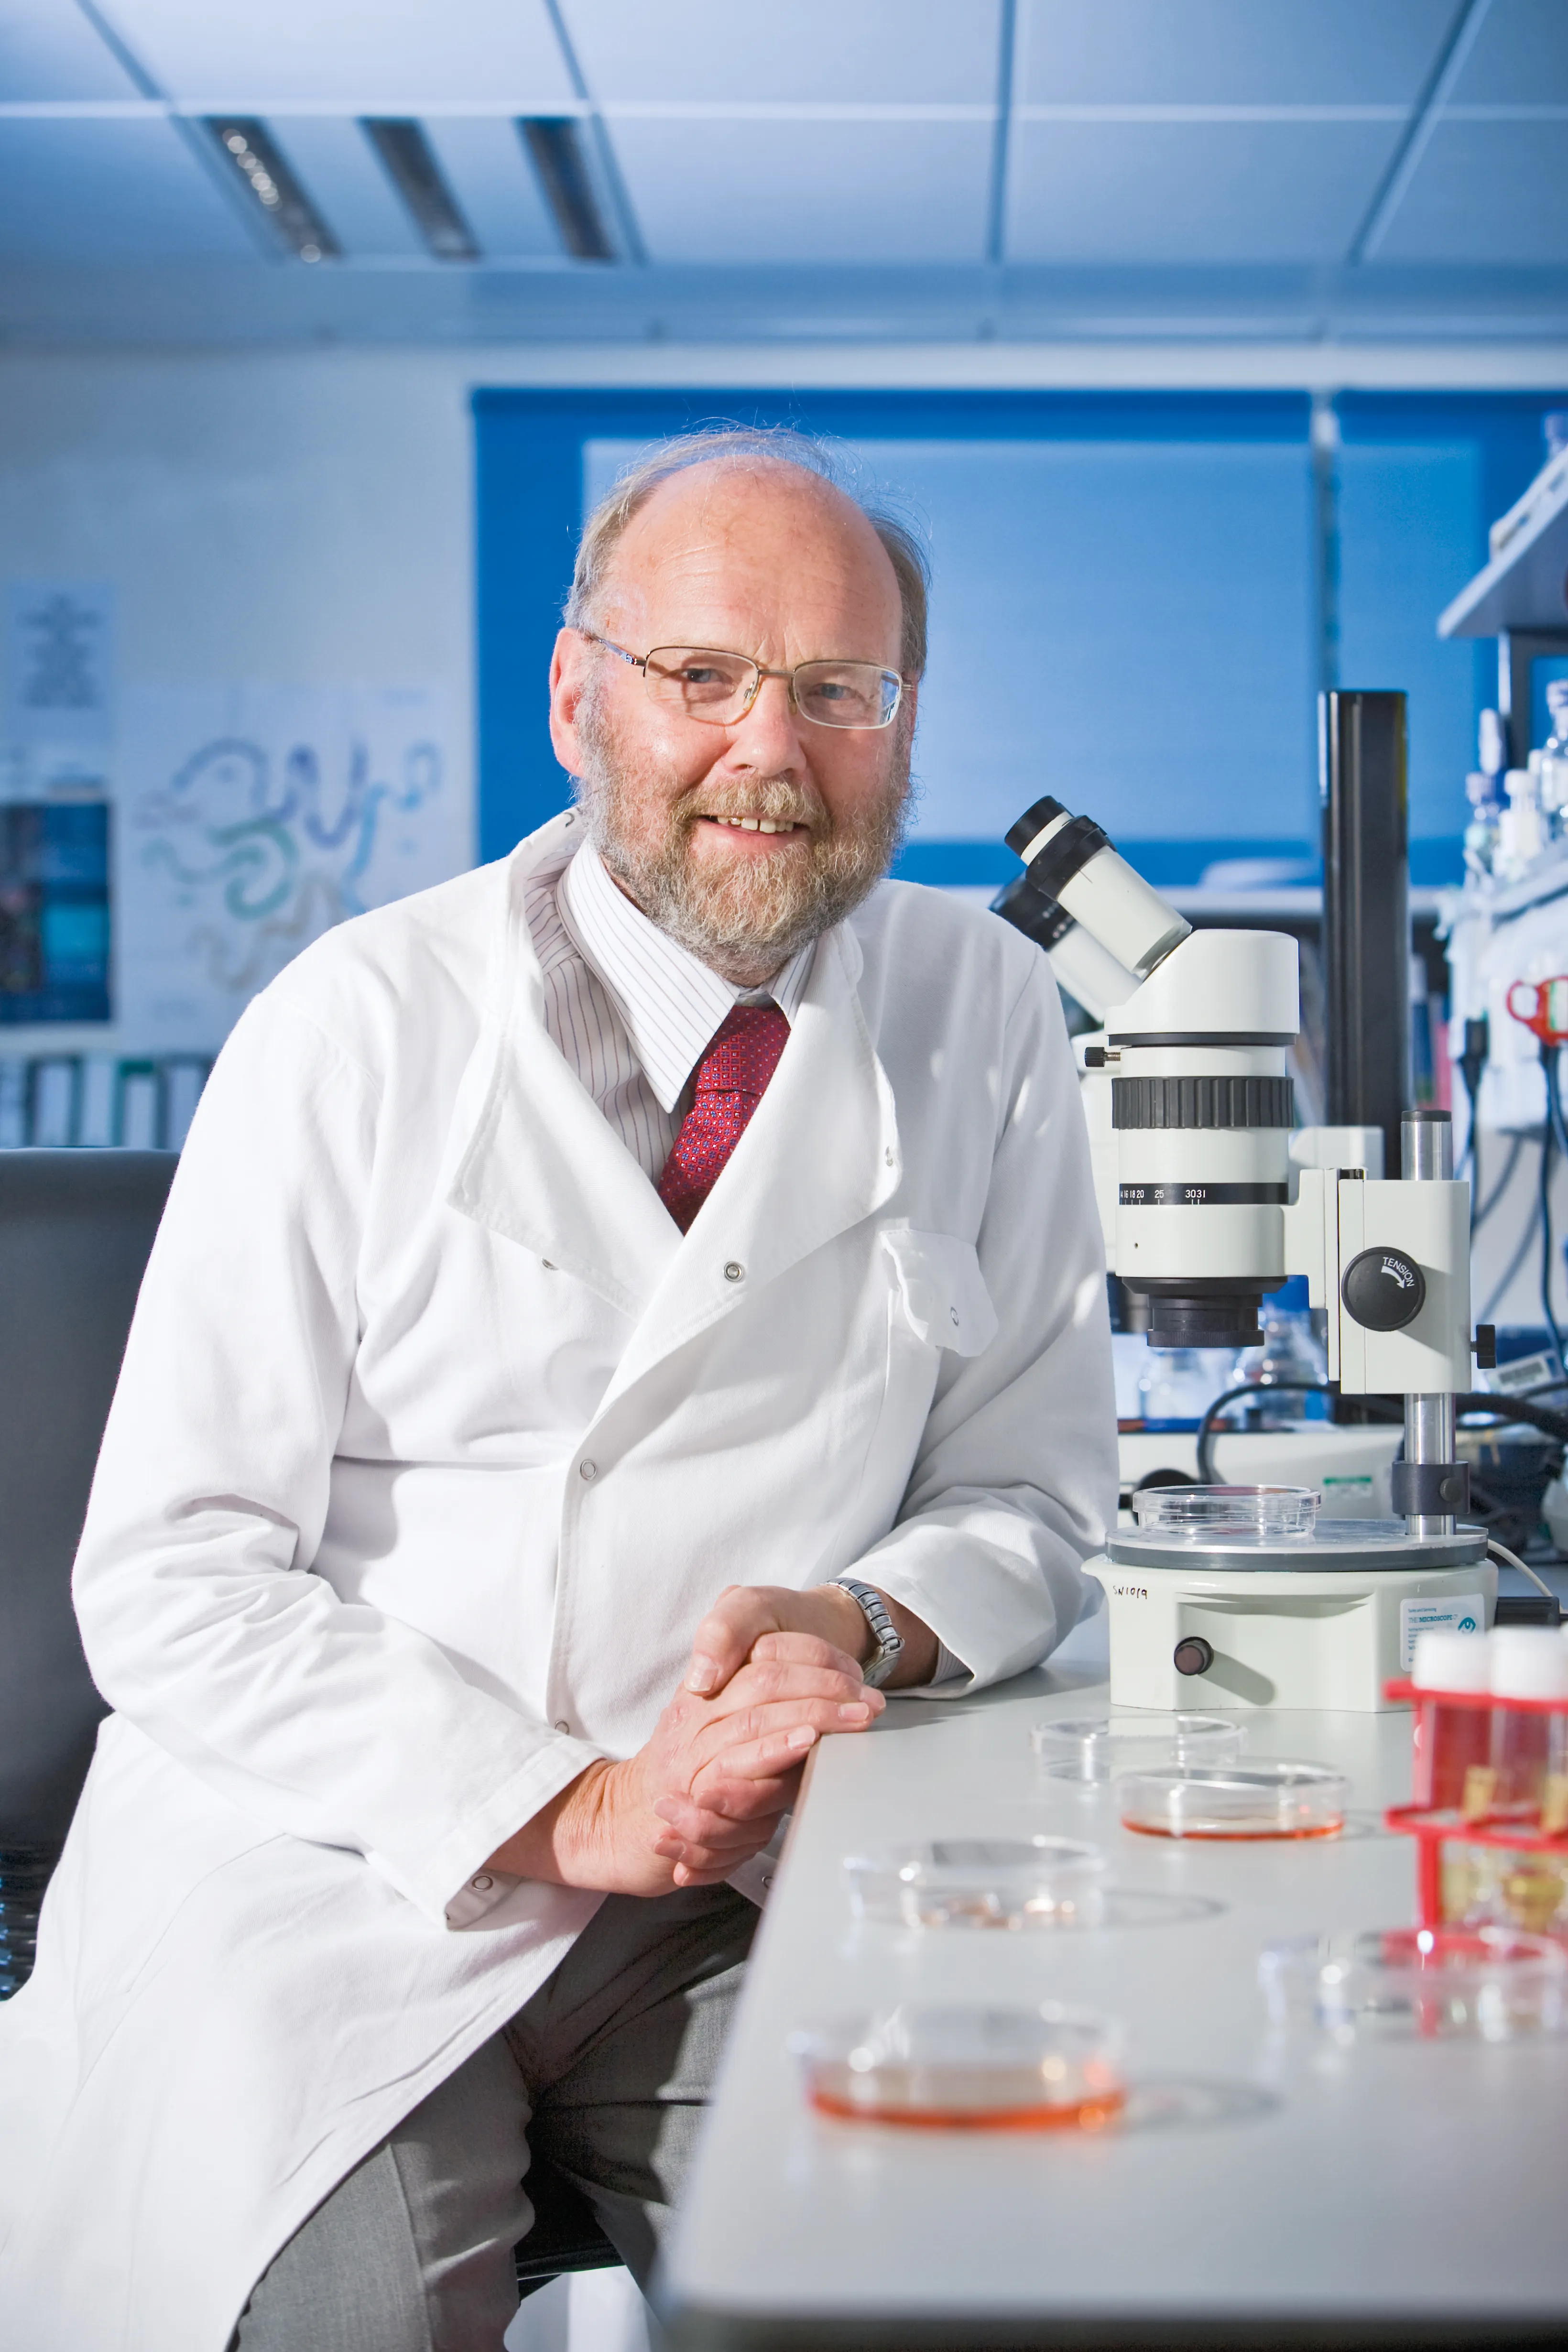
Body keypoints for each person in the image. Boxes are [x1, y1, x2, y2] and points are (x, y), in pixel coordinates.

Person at [0, 430, 1116, 2352]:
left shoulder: (985, 1011)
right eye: (702, 675)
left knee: (943, 2267)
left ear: (901, 721)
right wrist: (560, 1806)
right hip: (333, 1863)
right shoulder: (351, 1028)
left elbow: (1029, 1497)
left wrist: (863, 1615)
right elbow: (172, 1577)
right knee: (338, 2316)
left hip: (728, 1878)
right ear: (576, 693)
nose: (773, 751)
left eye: (840, 690)